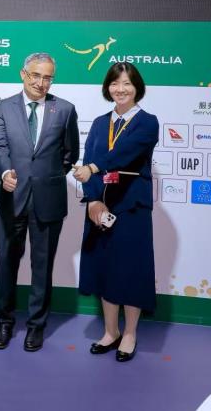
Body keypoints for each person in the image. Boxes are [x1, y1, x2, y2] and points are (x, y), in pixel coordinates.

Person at [0, 52, 79, 352]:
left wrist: (46, 177)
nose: (41, 83)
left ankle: (36, 325)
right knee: (6, 264)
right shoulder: (3, 108)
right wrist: (5, 172)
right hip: (11, 198)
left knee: (42, 268)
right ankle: (4, 321)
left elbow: (70, 154)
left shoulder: (64, 109)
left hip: (48, 200)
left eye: (48, 77)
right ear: (23, 74)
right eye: (36, 75)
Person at [73, 61, 159, 363]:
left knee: (132, 270)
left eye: (127, 83)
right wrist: (93, 200)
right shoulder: (100, 123)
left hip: (131, 206)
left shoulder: (148, 122)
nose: (120, 89)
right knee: (105, 268)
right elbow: (87, 159)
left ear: (137, 88)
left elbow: (124, 153)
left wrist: (94, 167)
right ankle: (111, 331)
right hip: (102, 205)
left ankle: (130, 333)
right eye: (114, 83)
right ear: (107, 87)